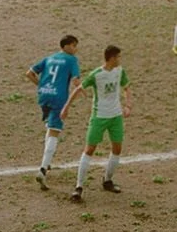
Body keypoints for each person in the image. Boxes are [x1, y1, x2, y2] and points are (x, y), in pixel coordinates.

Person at [65, 44, 130, 203]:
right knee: (89, 149)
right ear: (112, 58)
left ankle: (107, 180)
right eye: (119, 57)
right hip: (99, 117)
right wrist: (66, 107)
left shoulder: (119, 71)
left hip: (116, 117)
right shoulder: (96, 74)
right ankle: (79, 187)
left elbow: (127, 87)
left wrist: (128, 105)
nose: (120, 60)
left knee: (117, 148)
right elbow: (79, 89)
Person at [26, 34, 82, 189]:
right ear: (67, 46)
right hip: (58, 98)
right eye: (74, 45)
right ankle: (43, 169)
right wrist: (81, 89)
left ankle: (47, 162)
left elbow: (29, 73)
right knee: (54, 131)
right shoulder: (71, 60)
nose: (76, 49)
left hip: (44, 95)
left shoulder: (49, 58)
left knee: (49, 127)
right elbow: (76, 80)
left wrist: (41, 86)